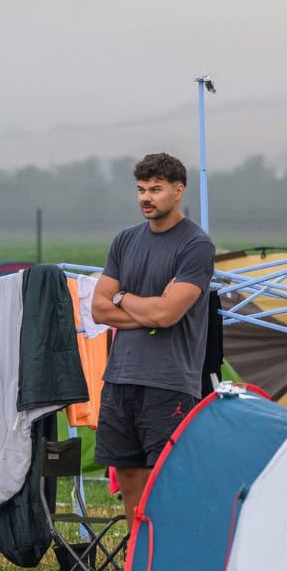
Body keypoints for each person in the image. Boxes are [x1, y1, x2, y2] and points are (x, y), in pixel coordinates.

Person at [89, 152, 217, 510]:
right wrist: (148, 307)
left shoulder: (196, 245)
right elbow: (99, 309)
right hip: (119, 377)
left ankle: (166, 546)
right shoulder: (125, 240)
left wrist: (123, 297)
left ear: (178, 191)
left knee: (166, 478)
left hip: (168, 381)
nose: (146, 197)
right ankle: (136, 547)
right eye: (141, 189)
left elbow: (167, 314)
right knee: (128, 477)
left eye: (155, 189)